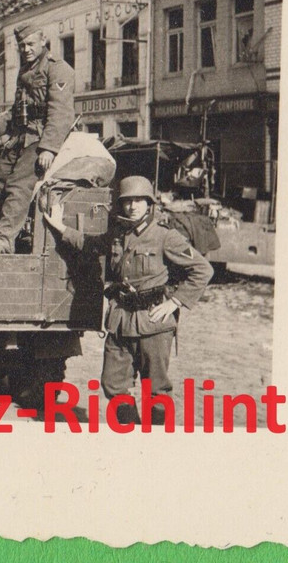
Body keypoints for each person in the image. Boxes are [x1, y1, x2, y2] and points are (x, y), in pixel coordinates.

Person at [43, 175, 213, 425]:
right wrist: (60, 227)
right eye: (128, 201)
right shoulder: (117, 234)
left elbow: (203, 269)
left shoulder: (166, 236)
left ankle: (157, 440)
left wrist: (175, 302)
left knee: (156, 390)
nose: (133, 206)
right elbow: (90, 244)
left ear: (149, 204)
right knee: (113, 383)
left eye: (139, 201)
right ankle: (131, 433)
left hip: (152, 322)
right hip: (121, 320)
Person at [0, 25, 75, 256]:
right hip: (20, 137)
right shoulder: (25, 71)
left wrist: (48, 148)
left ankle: (3, 239)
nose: (26, 49)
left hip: (40, 138)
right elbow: (18, 110)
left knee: (19, 185)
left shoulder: (58, 69)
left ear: (43, 41)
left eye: (30, 44)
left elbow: (61, 113)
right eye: (22, 45)